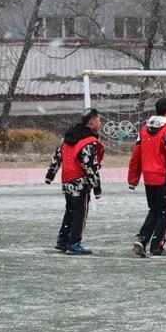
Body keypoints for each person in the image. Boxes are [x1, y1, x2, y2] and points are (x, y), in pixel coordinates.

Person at [128, 97, 166, 258]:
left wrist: (133, 179)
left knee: (154, 210)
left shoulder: (143, 129)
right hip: (164, 178)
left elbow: (136, 156)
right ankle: (157, 247)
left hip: (149, 178)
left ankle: (142, 239)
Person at [45, 108, 104, 255]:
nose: (100, 123)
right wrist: (97, 188)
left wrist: (50, 174)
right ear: (92, 122)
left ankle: (63, 240)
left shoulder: (69, 138)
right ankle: (74, 243)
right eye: (99, 120)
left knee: (70, 211)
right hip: (80, 182)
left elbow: (57, 156)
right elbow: (90, 166)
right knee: (80, 213)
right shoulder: (88, 142)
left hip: (67, 181)